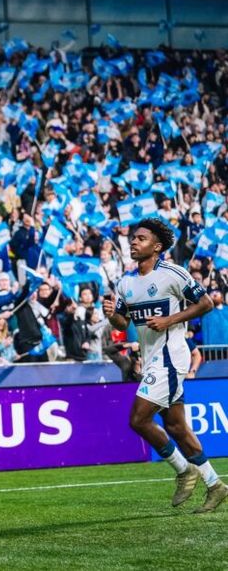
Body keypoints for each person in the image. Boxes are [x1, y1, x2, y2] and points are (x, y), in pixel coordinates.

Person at [103, 217, 226, 513]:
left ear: (156, 247)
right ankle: (215, 485)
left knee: (138, 420)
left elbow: (206, 303)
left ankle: (184, 470)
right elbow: (123, 321)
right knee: (175, 426)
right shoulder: (126, 282)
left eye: (141, 238)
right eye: (133, 238)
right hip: (152, 360)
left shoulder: (173, 273)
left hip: (171, 357)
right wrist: (111, 315)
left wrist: (170, 320)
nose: (134, 242)